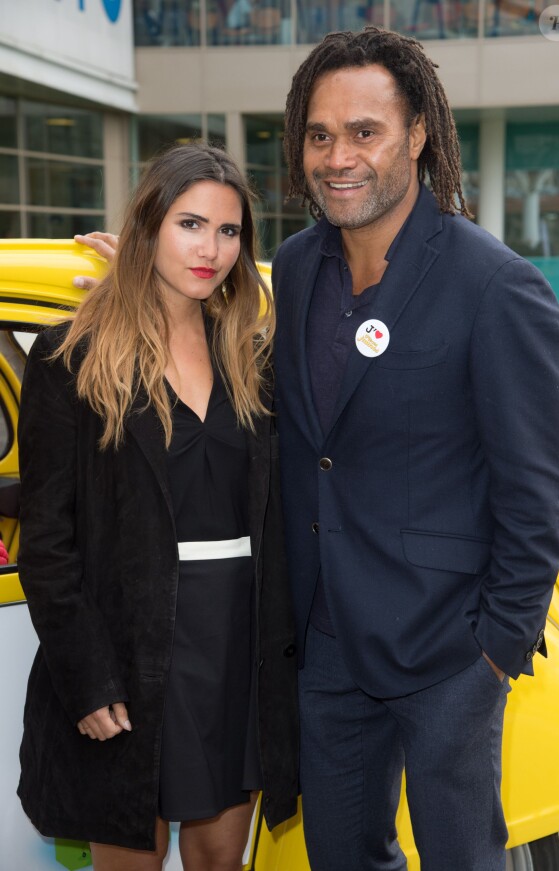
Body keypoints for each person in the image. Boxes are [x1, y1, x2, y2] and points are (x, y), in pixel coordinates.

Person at [272, 26, 559, 871]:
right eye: (320, 134)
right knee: (340, 859)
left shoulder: (494, 284)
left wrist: (493, 653)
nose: (339, 155)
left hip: (448, 652)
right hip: (327, 642)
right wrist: (141, 284)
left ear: (417, 136)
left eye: (365, 132)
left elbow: (531, 491)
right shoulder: (294, 269)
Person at [17, 142, 298, 871]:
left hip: (239, 643)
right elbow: (48, 541)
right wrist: (86, 674)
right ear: (147, 226)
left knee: (218, 859)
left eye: (229, 231)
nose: (211, 249)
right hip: (128, 643)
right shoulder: (70, 359)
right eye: (189, 224)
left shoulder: (256, 361)